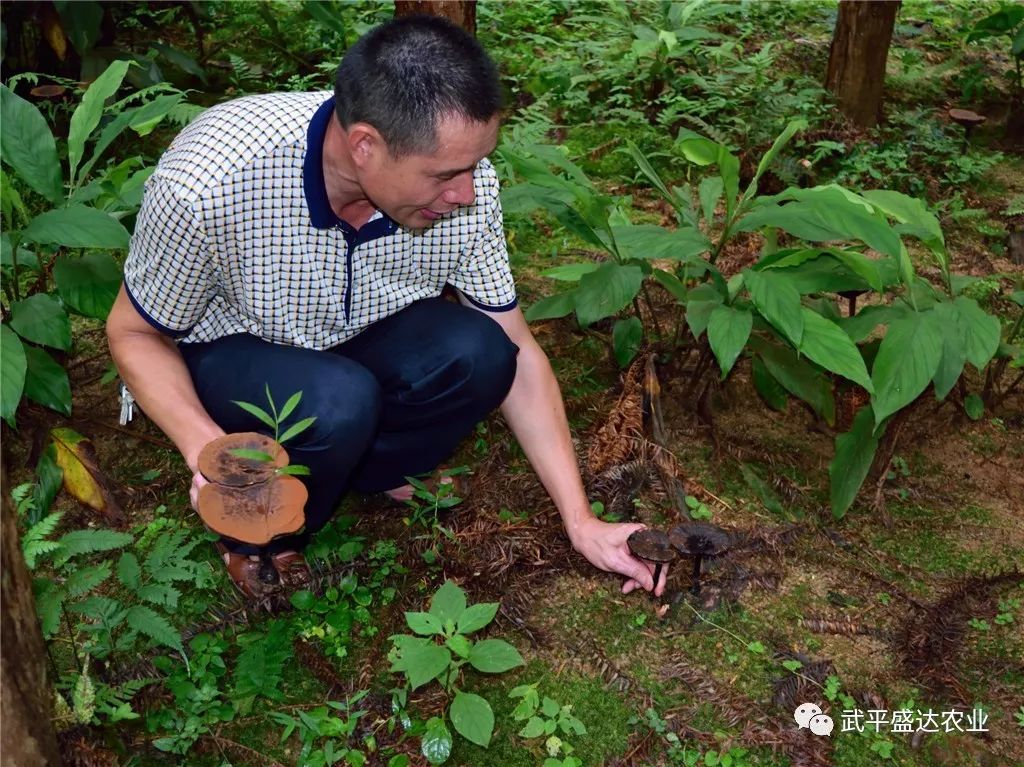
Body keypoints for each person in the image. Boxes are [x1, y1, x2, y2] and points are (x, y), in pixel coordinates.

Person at [105, 15, 667, 599]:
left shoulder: (467, 191)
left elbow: (519, 350)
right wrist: (208, 452)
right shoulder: (212, 182)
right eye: (446, 174)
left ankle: (377, 473)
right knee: (338, 401)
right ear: (365, 146)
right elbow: (133, 334)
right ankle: (261, 537)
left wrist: (581, 521)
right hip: (237, 345)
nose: (467, 194)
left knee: (482, 352)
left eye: (476, 165)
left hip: (360, 331)